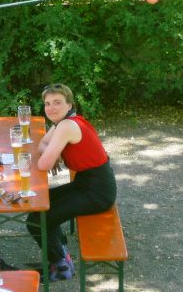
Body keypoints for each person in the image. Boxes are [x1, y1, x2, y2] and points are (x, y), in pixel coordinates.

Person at [26, 83, 117, 281]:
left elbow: (43, 164)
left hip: (97, 192)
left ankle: (61, 268)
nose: (51, 108)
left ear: (69, 105)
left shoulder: (67, 125)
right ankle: (62, 255)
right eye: (47, 103)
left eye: (57, 102)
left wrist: (52, 155)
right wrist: (53, 154)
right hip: (87, 183)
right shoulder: (63, 123)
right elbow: (43, 144)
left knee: (37, 220)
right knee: (38, 210)